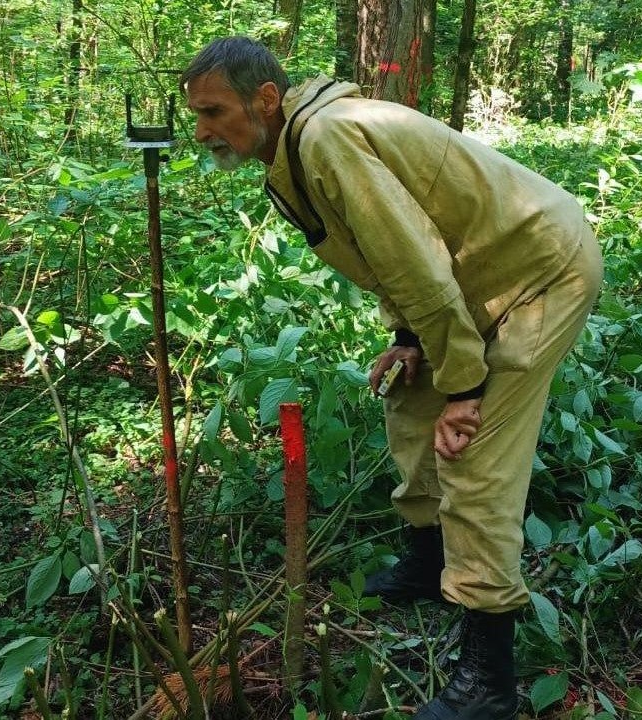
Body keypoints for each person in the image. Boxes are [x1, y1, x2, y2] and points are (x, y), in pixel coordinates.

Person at [180, 36, 603, 720]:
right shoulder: (299, 148)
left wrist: (466, 388)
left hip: (537, 274)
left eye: (213, 111)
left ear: (264, 100)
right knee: (411, 402)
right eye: (196, 114)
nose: (201, 130)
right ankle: (429, 563)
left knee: (477, 457)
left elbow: (417, 266)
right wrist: (411, 340)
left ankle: (487, 681)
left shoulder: (328, 139)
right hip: (477, 279)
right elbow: (396, 247)